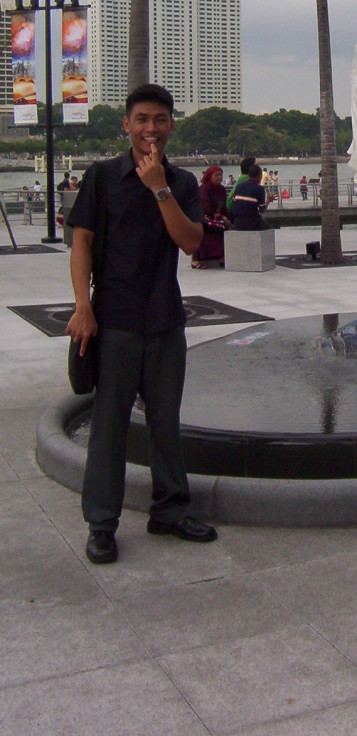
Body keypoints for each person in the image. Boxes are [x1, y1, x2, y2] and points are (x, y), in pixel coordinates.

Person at [65, 83, 216, 566]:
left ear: (171, 126)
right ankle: (102, 523)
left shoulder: (183, 184)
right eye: (142, 119)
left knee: (165, 423)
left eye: (160, 120)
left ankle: (170, 509)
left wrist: (159, 189)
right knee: (108, 426)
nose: (151, 128)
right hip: (114, 321)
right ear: (127, 125)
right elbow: (82, 242)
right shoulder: (103, 177)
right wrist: (82, 307)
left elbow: (191, 242)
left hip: (165, 320)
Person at [192, 165, 230, 268]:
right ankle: (196, 260)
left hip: (217, 217)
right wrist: (221, 217)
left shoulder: (221, 189)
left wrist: (225, 216)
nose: (219, 177)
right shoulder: (204, 189)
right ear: (210, 176)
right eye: (216, 175)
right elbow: (205, 208)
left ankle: (222, 256)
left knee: (228, 226)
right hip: (203, 217)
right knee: (217, 226)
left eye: (221, 175)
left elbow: (224, 206)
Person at [231, 163, 274, 230]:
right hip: (251, 221)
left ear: (248, 175)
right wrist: (268, 200)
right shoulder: (259, 189)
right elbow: (262, 210)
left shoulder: (239, 186)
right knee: (269, 229)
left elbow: (234, 202)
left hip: (237, 222)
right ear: (260, 176)